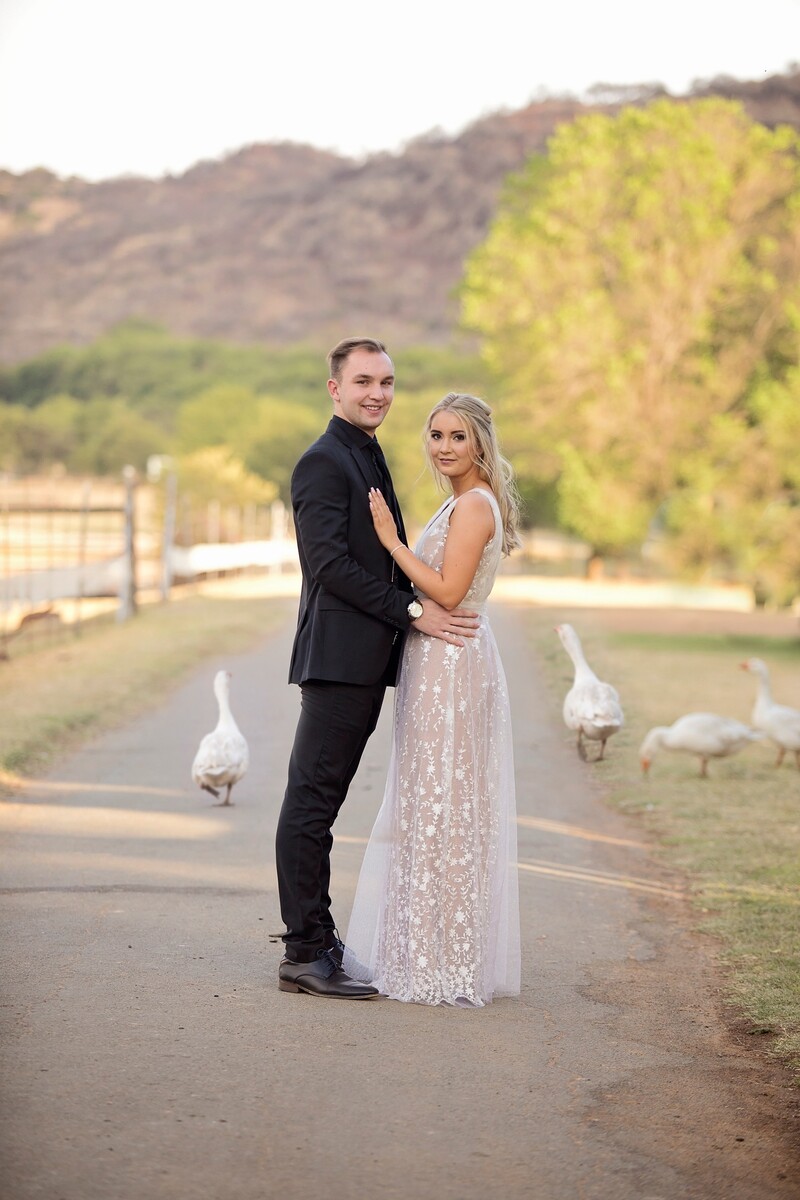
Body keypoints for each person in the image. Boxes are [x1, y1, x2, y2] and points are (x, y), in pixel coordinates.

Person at [275, 338, 479, 1000]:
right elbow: (328, 566)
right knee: (311, 804)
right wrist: (413, 610)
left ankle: (319, 939)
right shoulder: (322, 461)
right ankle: (305, 951)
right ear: (335, 388)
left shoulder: (365, 451)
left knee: (323, 802)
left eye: (387, 382)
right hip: (337, 661)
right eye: (363, 381)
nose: (378, 393)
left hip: (364, 662)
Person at [344, 392, 522, 1006]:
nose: (444, 447)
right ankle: (424, 952)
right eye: (436, 436)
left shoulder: (473, 505)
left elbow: (447, 591)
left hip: (452, 662)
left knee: (445, 806)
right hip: (437, 658)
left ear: (480, 443)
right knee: (428, 803)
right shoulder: (461, 500)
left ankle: (443, 962)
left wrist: (391, 543)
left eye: (457, 437)